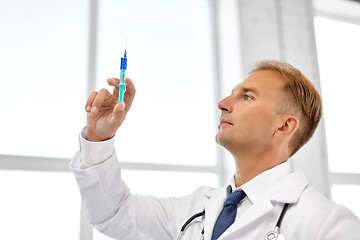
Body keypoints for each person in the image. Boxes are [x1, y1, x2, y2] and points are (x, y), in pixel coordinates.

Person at [70, 60, 360, 240]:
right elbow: (113, 214)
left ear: (284, 127)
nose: (222, 102)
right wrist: (98, 137)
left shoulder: (328, 225)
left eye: (247, 96)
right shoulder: (195, 209)